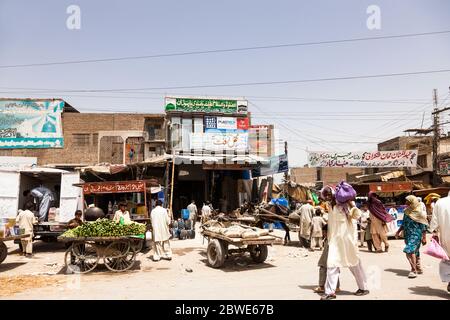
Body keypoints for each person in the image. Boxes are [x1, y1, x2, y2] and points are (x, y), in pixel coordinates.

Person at [321, 184, 369, 300]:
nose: (326, 197)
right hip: (335, 241)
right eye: (325, 196)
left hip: (348, 241)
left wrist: (352, 205)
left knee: (354, 264)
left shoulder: (346, 205)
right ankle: (330, 292)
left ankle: (363, 287)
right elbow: (331, 223)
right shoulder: (330, 206)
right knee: (332, 264)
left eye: (328, 195)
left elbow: (358, 216)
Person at [395, 195, 428, 278]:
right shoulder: (406, 211)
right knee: (415, 251)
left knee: (409, 250)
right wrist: (398, 232)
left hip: (416, 234)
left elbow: (423, 226)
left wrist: (424, 237)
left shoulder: (419, 213)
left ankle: (413, 270)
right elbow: (403, 223)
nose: (406, 203)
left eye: (408, 201)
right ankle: (418, 267)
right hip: (407, 234)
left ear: (412, 202)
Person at [430, 194, 450, 293]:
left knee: (448, 260)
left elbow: (434, 223)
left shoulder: (440, 202)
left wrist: (434, 234)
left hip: (447, 238)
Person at [314, 224, 340, 294]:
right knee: (334, 272)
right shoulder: (330, 239)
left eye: (324, 232)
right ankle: (337, 287)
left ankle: (322, 286)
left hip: (327, 259)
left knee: (323, 270)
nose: (323, 234)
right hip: (331, 259)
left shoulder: (330, 240)